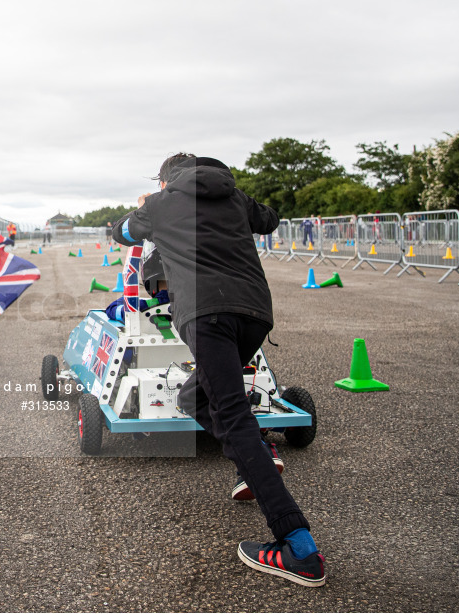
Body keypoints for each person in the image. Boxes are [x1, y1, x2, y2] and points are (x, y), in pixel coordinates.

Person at [112, 153, 325, 587]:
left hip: (206, 315)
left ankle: (299, 548)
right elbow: (269, 219)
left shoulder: (160, 203)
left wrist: (145, 204)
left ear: (166, 179)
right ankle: (259, 455)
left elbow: (120, 233)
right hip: (253, 313)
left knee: (233, 417)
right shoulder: (235, 197)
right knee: (194, 396)